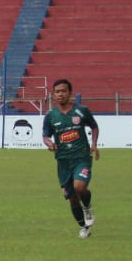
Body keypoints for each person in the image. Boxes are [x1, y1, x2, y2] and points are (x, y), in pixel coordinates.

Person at [41, 78, 100, 239]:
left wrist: (94, 143)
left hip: (81, 157)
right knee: (72, 198)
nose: (60, 94)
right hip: (63, 162)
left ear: (70, 93)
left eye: (63, 91)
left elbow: (94, 126)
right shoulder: (51, 116)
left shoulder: (81, 111)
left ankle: (87, 207)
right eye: (57, 92)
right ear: (54, 94)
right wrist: (49, 143)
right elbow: (45, 135)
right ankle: (84, 227)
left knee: (79, 187)